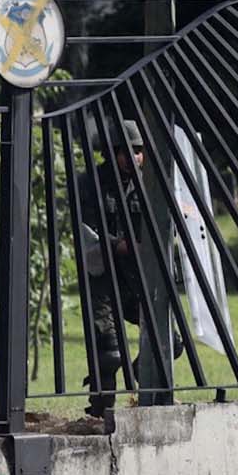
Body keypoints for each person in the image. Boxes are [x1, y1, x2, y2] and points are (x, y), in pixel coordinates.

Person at [77, 119, 149, 419]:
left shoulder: (149, 184)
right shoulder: (89, 182)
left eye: (139, 151)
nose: (134, 157)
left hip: (135, 276)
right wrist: (118, 244)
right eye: (126, 151)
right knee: (108, 351)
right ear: (112, 152)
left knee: (169, 341)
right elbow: (83, 228)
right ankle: (100, 411)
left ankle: (146, 384)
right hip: (101, 273)